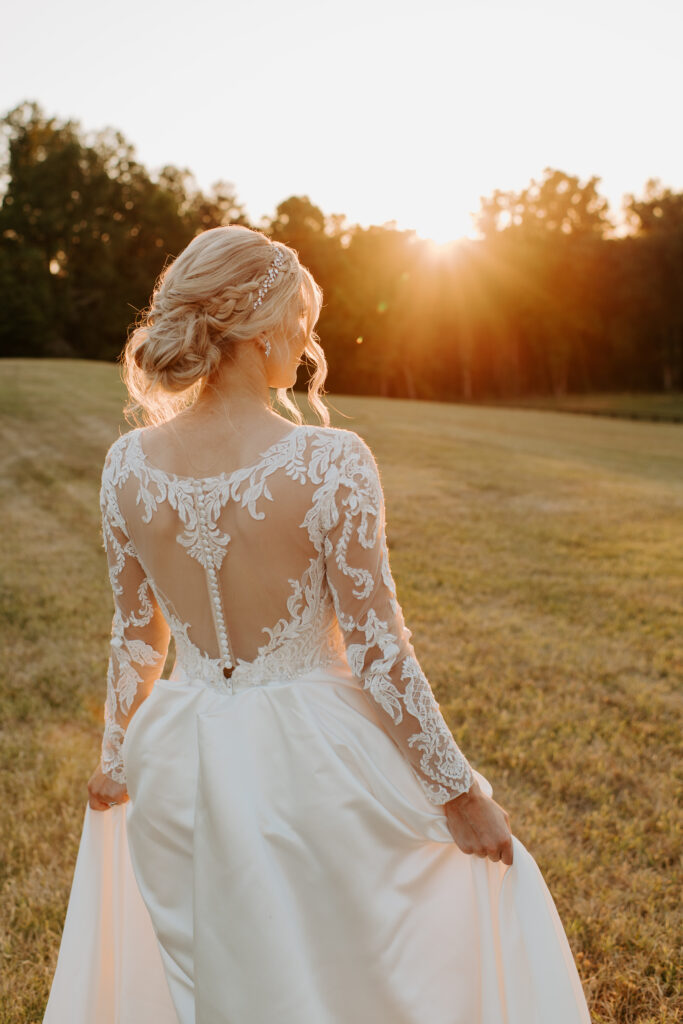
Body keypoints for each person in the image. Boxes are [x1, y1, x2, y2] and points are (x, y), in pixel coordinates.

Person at [44, 226, 591, 1023]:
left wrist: (115, 756)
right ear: (259, 324)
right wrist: (456, 793)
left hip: (177, 758)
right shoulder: (331, 462)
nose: (306, 343)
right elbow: (377, 650)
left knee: (227, 983)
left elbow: (136, 633)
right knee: (348, 976)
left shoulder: (126, 464)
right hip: (313, 761)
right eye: (300, 321)